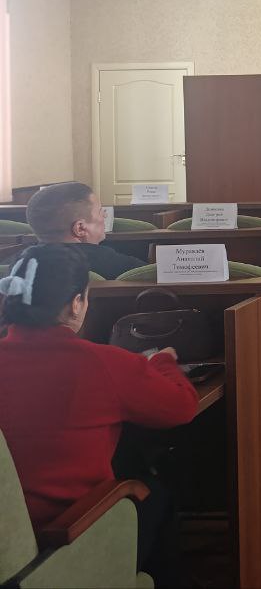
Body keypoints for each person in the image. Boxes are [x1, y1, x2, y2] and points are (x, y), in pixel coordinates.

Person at [0, 244, 198, 584]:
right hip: (67, 534)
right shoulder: (102, 362)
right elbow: (181, 407)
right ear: (76, 303)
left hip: (8, 543)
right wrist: (163, 361)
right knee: (154, 495)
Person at [25, 181, 144, 279]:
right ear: (80, 228)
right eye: (100, 211)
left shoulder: (21, 263)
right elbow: (148, 273)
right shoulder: (109, 261)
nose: (105, 215)